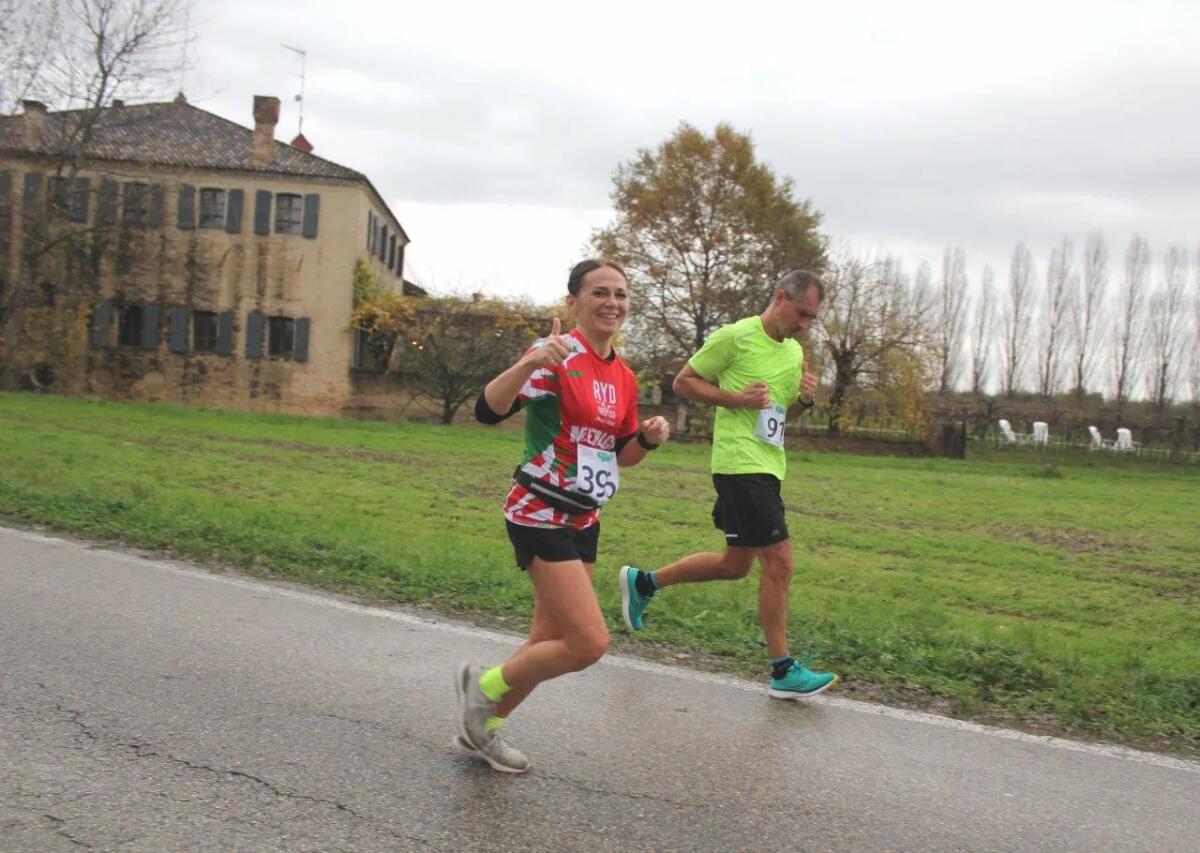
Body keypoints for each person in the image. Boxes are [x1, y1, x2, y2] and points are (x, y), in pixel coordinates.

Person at [456, 259, 671, 773]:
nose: (612, 303)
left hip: (583, 519)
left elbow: (619, 456)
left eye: (621, 294)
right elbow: (486, 411)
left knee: (547, 641)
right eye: (600, 292)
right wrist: (530, 363)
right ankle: (483, 686)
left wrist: (646, 440)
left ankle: (481, 729)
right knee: (587, 643)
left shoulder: (623, 376)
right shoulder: (556, 353)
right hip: (539, 510)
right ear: (574, 301)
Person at [618, 269, 837, 699]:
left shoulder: (794, 353)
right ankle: (782, 670)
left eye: (811, 318)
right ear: (780, 297)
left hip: (769, 466)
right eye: (802, 313)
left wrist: (805, 399)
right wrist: (736, 399)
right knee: (780, 563)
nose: (804, 324)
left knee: (735, 565)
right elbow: (684, 382)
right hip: (739, 465)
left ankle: (644, 582)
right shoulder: (735, 337)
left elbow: (781, 414)